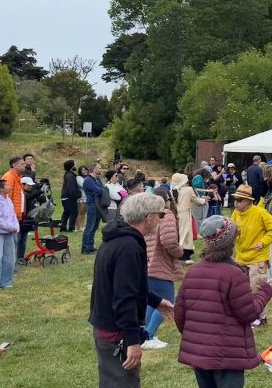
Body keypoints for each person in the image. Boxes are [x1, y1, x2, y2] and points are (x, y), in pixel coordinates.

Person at [175, 215, 272, 388]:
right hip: (228, 354)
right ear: (232, 240)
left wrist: (196, 340)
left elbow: (180, 314)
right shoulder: (233, 274)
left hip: (200, 353)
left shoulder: (193, 271)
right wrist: (265, 292)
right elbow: (248, 313)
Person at [89, 193, 174, 388]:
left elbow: (130, 285)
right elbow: (124, 297)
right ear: (149, 218)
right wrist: (133, 341)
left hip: (105, 324)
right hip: (116, 330)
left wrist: (156, 301)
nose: (160, 221)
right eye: (160, 216)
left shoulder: (117, 237)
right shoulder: (129, 247)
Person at [230, 184, 272, 328]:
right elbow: (233, 227)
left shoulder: (260, 213)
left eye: (239, 200)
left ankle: (261, 317)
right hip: (240, 257)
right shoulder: (236, 213)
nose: (236, 203)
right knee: (242, 290)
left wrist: (263, 242)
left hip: (257, 259)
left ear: (248, 201)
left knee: (256, 288)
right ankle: (247, 315)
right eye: (235, 200)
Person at [141, 195, 183, 351]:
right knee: (167, 301)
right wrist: (179, 252)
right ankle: (149, 335)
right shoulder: (166, 214)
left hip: (147, 263)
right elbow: (169, 241)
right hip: (161, 264)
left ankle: (145, 334)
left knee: (152, 301)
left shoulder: (145, 215)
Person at [0, 158, 25, 260]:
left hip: (17, 214)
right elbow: (6, 198)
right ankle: (10, 264)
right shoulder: (10, 177)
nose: (25, 165)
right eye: (22, 163)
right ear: (14, 165)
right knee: (11, 243)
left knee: (16, 241)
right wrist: (9, 216)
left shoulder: (17, 177)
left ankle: (15, 261)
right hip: (12, 216)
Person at [81, 162, 105, 255]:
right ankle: (85, 248)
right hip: (92, 205)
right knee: (89, 227)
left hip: (98, 205)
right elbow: (99, 191)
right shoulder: (88, 180)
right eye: (99, 168)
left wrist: (102, 189)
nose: (101, 169)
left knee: (95, 227)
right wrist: (102, 190)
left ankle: (90, 247)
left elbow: (102, 189)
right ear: (93, 169)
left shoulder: (97, 179)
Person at [60, 160, 79, 232]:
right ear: (72, 166)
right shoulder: (70, 176)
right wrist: (77, 194)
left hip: (66, 197)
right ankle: (71, 228)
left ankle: (63, 227)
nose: (75, 165)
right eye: (74, 164)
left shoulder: (69, 174)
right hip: (69, 197)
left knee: (66, 212)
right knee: (73, 212)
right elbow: (71, 188)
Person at [76, 165, 89, 232]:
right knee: (80, 212)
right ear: (80, 172)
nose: (84, 171)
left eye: (85, 169)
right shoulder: (78, 178)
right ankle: (79, 226)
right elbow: (84, 185)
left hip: (87, 197)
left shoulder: (88, 177)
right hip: (81, 198)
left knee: (84, 213)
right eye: (83, 170)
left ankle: (82, 226)